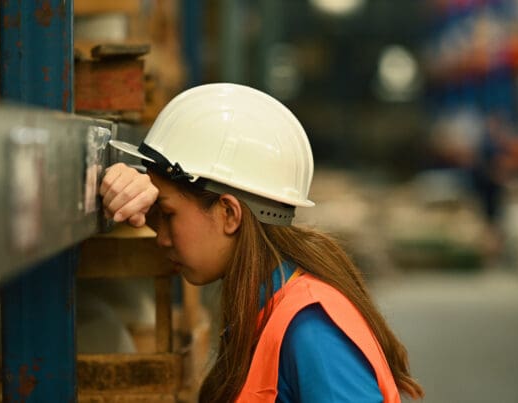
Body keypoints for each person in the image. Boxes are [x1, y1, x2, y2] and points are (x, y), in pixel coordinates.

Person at [100, 83, 424, 403]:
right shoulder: (265, 306)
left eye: (168, 214)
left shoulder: (311, 328)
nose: (162, 238)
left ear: (229, 213)